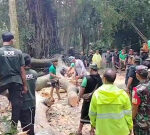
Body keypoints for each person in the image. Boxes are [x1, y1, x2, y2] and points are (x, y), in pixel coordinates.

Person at [89, 69, 133, 135]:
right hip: (121, 131)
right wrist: (130, 127)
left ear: (104, 78)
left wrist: (93, 126)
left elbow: (92, 113)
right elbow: (128, 114)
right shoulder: (122, 94)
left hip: (102, 131)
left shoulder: (97, 94)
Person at [0, 32, 27, 128]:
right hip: (16, 81)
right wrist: (25, 85)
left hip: (2, 81)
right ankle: (13, 128)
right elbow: (22, 70)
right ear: (11, 40)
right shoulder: (18, 52)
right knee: (16, 106)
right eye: (14, 39)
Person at [77, 64, 103, 135]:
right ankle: (92, 130)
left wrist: (79, 97)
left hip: (87, 100)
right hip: (96, 100)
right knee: (94, 115)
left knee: (84, 113)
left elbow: (82, 88)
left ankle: (79, 130)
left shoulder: (87, 78)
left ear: (91, 69)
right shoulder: (100, 79)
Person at [20, 54, 37, 135]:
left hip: (23, 104)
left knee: (25, 127)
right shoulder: (34, 73)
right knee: (31, 123)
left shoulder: (19, 76)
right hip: (32, 102)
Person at [132, 65, 150, 135]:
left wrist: (131, 119)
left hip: (142, 123)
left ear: (137, 75)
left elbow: (134, 108)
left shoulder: (137, 90)